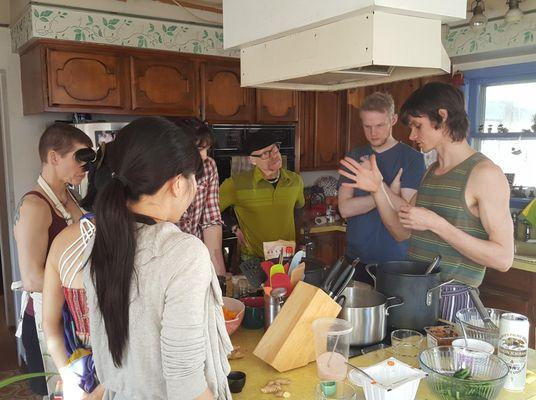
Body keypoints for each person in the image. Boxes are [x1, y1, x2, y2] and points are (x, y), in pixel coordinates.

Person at [84, 117, 232, 399]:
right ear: (177, 183)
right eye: (194, 179)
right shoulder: (183, 253)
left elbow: (122, 355)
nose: (197, 187)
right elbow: (185, 383)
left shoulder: (100, 241)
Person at [339, 82, 514, 318]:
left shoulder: (485, 174)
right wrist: (377, 188)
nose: (412, 135)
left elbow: (503, 259)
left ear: (442, 117)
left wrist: (436, 224)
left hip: (453, 300)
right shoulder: (432, 171)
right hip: (415, 290)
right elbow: (401, 232)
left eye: (418, 126)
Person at [13, 123, 93, 395]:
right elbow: (32, 278)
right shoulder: (35, 206)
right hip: (45, 324)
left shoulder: (69, 197)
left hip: (71, 317)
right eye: (80, 158)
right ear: (53, 157)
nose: (85, 167)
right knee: (58, 392)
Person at [43, 145, 110, 400]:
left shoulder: (63, 241)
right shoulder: (143, 241)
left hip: (79, 371)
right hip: (125, 377)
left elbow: (50, 322)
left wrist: (70, 378)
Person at [338, 92, 425, 283]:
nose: (373, 133)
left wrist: (379, 186)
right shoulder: (354, 158)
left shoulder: (413, 159)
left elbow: (407, 213)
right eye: (367, 126)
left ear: (393, 120)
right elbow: (345, 209)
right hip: (356, 260)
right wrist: (388, 193)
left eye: (379, 125)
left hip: (396, 262)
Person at [219, 131, 305, 259]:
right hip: (253, 259)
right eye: (265, 154)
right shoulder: (235, 184)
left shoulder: (295, 181)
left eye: (275, 150)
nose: (274, 157)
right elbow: (212, 210)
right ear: (252, 160)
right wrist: (234, 227)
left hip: (288, 257)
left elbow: (299, 209)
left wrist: (300, 239)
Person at [179, 123, 226, 275]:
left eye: (207, 149)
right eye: (200, 149)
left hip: (197, 258)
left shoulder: (208, 166)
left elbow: (211, 222)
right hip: (167, 261)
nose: (205, 156)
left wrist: (219, 277)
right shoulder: (160, 175)